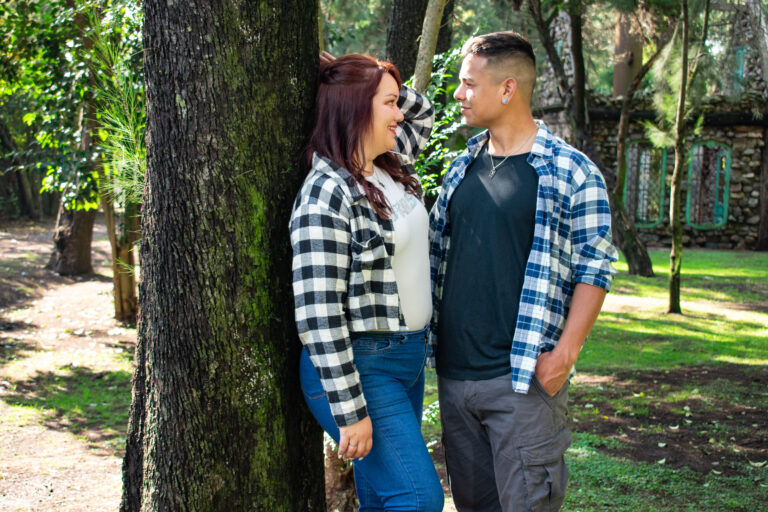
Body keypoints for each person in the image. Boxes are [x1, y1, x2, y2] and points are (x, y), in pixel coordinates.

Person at [428, 32, 618, 511]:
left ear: (507, 89)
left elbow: (595, 267)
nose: (458, 94)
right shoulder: (459, 169)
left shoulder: (572, 172)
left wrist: (564, 356)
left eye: (469, 84)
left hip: (522, 382)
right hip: (455, 380)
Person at [290, 53, 444, 512]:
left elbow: (424, 113)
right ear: (356, 106)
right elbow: (318, 316)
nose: (401, 113)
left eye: (398, 103)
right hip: (359, 366)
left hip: (406, 359)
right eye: (389, 103)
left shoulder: (388, 164)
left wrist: (362, 72)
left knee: (382, 500)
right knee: (418, 499)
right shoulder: (326, 193)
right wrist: (350, 411)